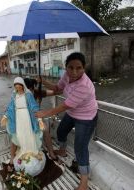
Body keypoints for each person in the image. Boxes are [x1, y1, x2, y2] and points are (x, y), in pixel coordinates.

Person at [35, 52, 98, 190]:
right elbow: (58, 89)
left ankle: (84, 183)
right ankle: (62, 151)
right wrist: (43, 81)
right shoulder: (66, 75)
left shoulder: (85, 86)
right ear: (66, 67)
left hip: (86, 117)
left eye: (79, 68)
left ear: (84, 68)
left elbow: (64, 106)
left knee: (80, 148)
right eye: (70, 68)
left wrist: (44, 113)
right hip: (73, 112)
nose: (74, 72)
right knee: (61, 131)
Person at [0, 77, 46, 172]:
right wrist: (6, 116)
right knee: (20, 134)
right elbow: (10, 108)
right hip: (18, 118)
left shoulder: (28, 95)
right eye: (15, 86)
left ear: (22, 86)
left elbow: (34, 107)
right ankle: (24, 150)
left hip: (26, 117)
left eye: (19, 86)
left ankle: (31, 150)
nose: (17, 88)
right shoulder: (14, 95)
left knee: (29, 133)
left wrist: (39, 119)